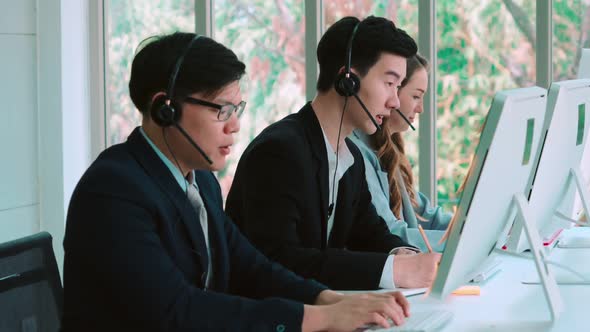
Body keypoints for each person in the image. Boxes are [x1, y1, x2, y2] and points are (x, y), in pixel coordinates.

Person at [61, 32, 412, 332]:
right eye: (221, 110)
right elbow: (176, 310)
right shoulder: (113, 190)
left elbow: (251, 267)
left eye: (237, 110)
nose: (234, 126)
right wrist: (317, 318)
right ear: (163, 109)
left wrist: (330, 298)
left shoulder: (201, 183)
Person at [225, 16, 440, 291]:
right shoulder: (279, 152)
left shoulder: (351, 157)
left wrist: (403, 255)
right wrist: (394, 271)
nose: (395, 101)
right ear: (347, 80)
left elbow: (371, 233)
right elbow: (280, 260)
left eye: (398, 88)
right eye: (389, 83)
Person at [350, 54, 452, 253]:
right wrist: (461, 244)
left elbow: (425, 214)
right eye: (416, 96)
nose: (421, 108)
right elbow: (391, 233)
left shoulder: (387, 148)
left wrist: (472, 229)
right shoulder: (357, 152)